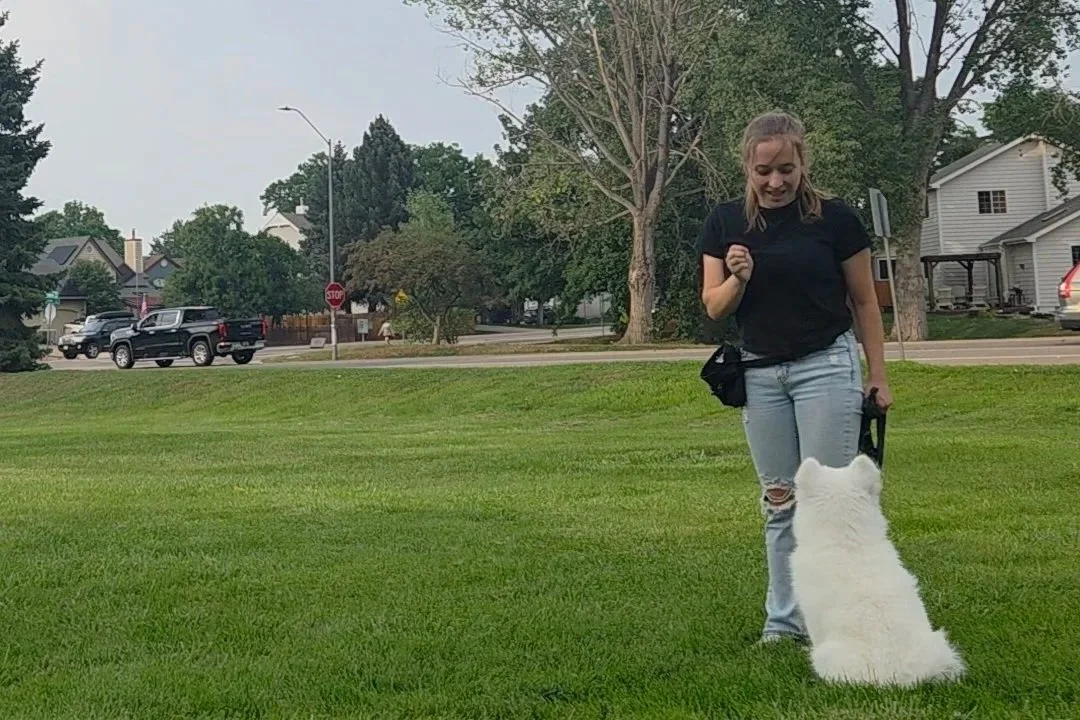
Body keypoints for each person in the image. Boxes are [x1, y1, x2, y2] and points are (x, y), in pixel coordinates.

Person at [698, 111, 893, 646]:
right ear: (747, 166)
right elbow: (714, 307)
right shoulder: (724, 223)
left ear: (803, 162)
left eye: (786, 168)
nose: (776, 182)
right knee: (779, 499)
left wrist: (876, 374)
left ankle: (839, 619)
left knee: (829, 498)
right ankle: (784, 622)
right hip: (760, 375)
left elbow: (863, 302)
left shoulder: (836, 220)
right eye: (764, 171)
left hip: (825, 367)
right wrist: (738, 278)